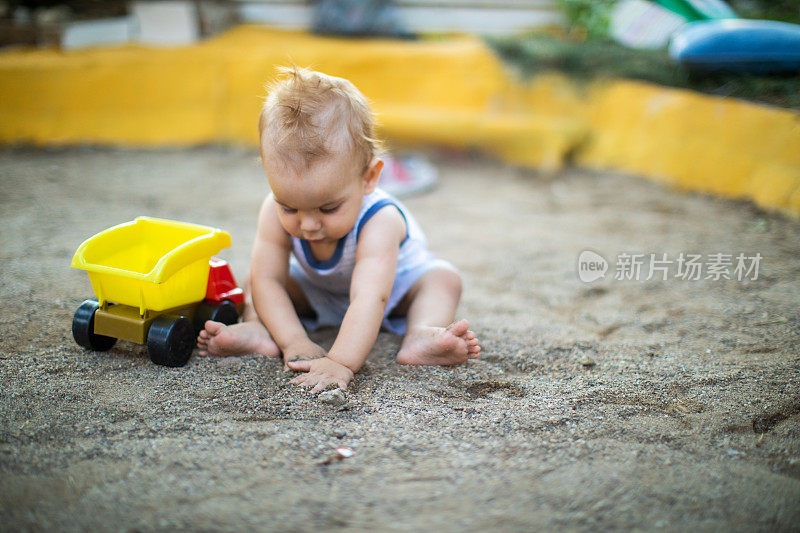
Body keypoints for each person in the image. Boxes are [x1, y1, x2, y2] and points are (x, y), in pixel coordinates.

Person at [196, 66, 480, 392]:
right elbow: (268, 280)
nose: (308, 224)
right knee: (256, 277)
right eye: (289, 206)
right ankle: (260, 329)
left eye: (328, 208)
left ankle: (421, 333)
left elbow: (371, 295)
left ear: (369, 178)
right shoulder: (272, 211)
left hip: (395, 293)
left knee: (442, 278)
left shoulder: (380, 220)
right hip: (320, 291)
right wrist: (294, 342)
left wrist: (340, 362)